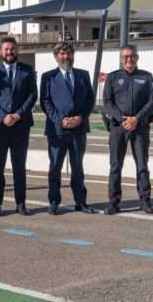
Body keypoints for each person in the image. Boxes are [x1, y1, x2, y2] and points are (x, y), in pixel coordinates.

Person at [0, 36, 38, 216]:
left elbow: (32, 94)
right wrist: (3, 116)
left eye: (12, 49)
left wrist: (18, 114)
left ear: (17, 50)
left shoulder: (27, 70)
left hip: (20, 126)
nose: (9, 52)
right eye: (6, 49)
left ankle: (20, 203)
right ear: (0, 51)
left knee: (19, 166)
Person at [40, 42, 95, 215]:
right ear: (56, 56)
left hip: (79, 129)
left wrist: (81, 117)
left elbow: (90, 99)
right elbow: (45, 102)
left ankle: (81, 201)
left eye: (69, 53)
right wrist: (61, 120)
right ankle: (54, 202)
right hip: (57, 130)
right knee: (55, 167)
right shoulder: (48, 76)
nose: (66, 56)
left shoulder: (83, 75)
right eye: (62, 53)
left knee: (77, 167)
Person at [102, 44, 153, 215]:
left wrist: (136, 118)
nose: (129, 59)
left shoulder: (147, 77)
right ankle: (113, 202)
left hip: (140, 126)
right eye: (125, 56)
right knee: (115, 165)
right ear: (121, 59)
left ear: (137, 57)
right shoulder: (112, 77)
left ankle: (145, 200)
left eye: (132, 56)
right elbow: (107, 102)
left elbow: (152, 101)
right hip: (118, 127)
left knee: (142, 165)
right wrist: (122, 119)